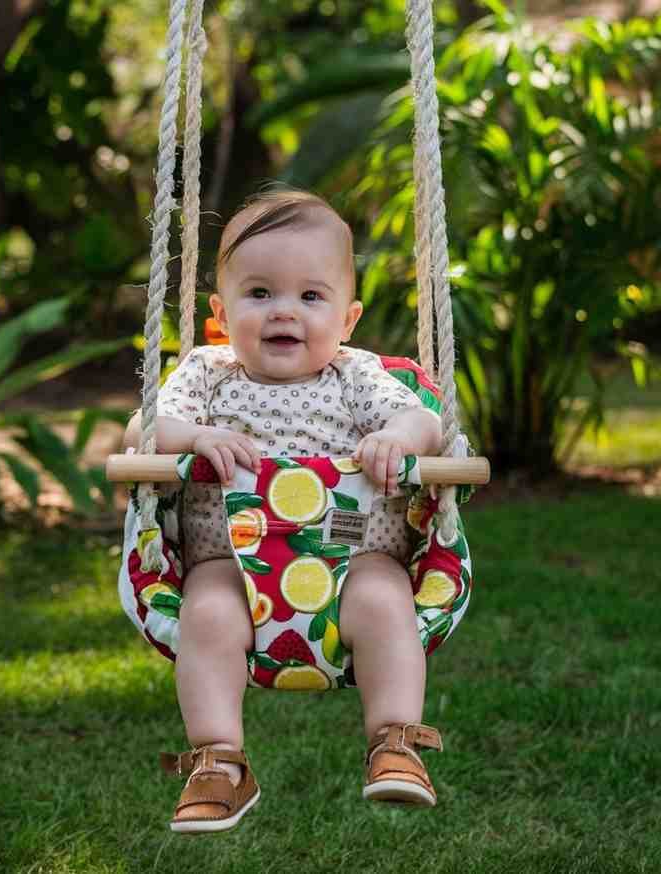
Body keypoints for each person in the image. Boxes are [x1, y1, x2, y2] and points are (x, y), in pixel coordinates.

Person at [124, 189, 447, 834]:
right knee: (206, 616)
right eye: (261, 293)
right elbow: (144, 428)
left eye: (310, 296)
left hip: (354, 558)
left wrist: (398, 439)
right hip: (232, 564)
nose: (284, 313)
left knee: (389, 605)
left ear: (348, 318)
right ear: (220, 312)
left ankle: (395, 741)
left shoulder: (357, 376)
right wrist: (194, 438)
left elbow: (426, 423)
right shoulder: (207, 372)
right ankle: (218, 760)